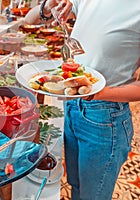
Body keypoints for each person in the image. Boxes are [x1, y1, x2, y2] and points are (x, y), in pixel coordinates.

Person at [24, 0, 140, 199]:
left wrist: (101, 94)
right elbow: (29, 19)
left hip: (106, 118)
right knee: (75, 185)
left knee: (93, 195)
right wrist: (46, 7)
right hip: (72, 106)